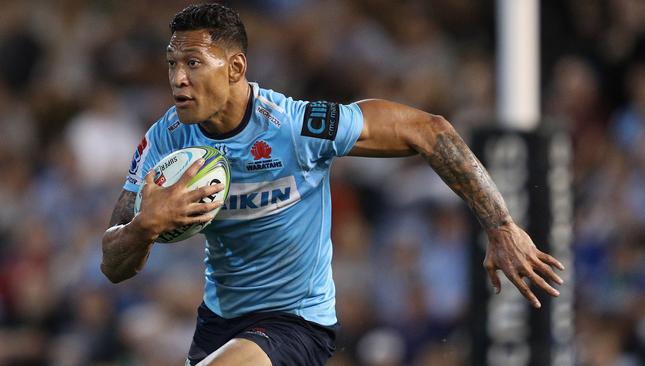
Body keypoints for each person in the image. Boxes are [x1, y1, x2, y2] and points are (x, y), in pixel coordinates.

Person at [101, 3, 565, 366]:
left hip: (295, 321)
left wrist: (501, 224)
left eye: (194, 63)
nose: (178, 79)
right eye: (171, 64)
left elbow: (431, 130)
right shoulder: (166, 139)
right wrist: (143, 228)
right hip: (218, 324)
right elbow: (112, 264)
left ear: (236, 68)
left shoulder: (296, 127)